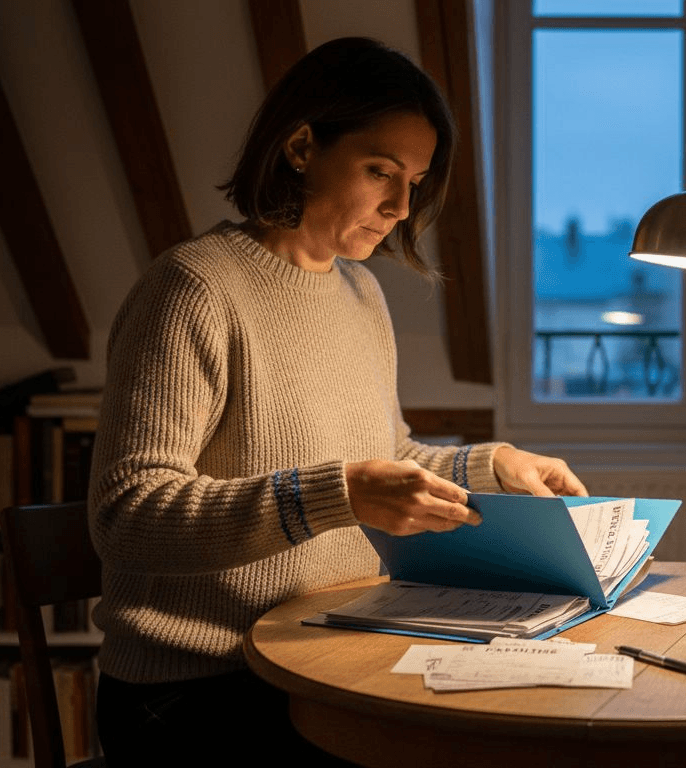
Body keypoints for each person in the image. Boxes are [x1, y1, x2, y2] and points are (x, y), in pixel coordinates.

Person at [86, 36, 588, 766]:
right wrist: (336, 494)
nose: (400, 206)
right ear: (300, 146)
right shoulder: (193, 289)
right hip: (198, 686)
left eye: (414, 180)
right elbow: (125, 516)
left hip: (327, 657)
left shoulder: (359, 291)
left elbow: (387, 460)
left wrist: (492, 465)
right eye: (380, 170)